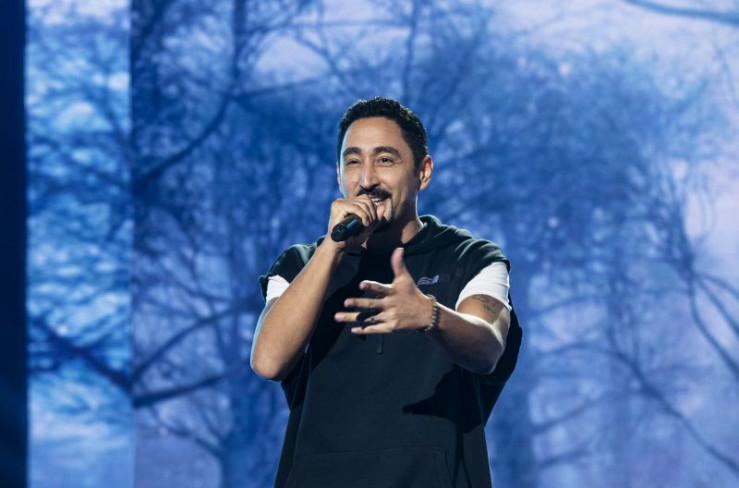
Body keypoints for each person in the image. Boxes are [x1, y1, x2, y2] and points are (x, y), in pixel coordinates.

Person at [251, 97, 521, 488]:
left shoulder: (470, 259)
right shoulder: (299, 265)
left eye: (385, 160)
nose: (367, 179)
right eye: (353, 161)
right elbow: (268, 362)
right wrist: (332, 250)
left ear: (422, 172)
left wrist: (430, 315)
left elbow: (488, 348)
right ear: (338, 174)